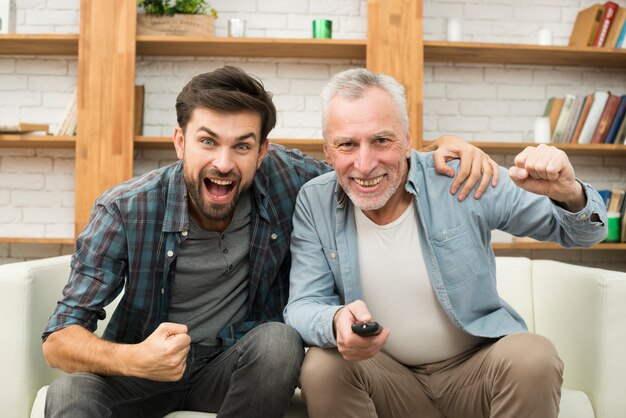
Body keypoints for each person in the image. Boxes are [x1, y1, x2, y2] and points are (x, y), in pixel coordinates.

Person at [41, 66, 496, 418]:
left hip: (234, 365)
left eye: (242, 146)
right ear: (180, 142)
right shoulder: (125, 209)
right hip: (145, 369)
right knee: (69, 390)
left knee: (280, 340)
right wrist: (136, 359)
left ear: (262, 151)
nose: (223, 162)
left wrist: (438, 153)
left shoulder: (290, 180)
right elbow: (59, 338)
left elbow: (367, 167)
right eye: (207, 141)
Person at [284, 68, 608, 418]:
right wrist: (335, 321)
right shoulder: (314, 201)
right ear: (327, 151)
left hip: (475, 373)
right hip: (387, 379)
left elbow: (584, 232)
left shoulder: (462, 175)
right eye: (347, 144)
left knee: (534, 356)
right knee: (321, 365)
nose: (364, 164)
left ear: (407, 139)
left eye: (381, 140)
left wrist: (570, 193)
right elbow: (303, 305)